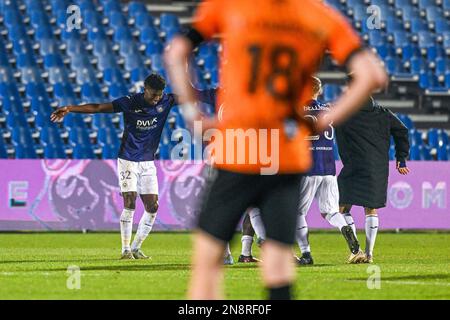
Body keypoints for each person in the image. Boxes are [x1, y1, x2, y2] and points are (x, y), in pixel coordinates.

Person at [165, 0, 388, 300]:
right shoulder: (319, 15)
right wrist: (323, 119)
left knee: (207, 261)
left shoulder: (229, 6)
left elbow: (176, 52)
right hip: (287, 156)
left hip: (238, 149)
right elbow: (372, 74)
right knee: (279, 262)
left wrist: (194, 115)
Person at [50, 73, 211, 260]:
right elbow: (99, 107)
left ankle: (136, 247)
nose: (156, 99)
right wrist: (70, 108)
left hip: (148, 162)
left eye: (159, 95)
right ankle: (125, 249)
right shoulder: (130, 102)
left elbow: (195, 95)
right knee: (130, 201)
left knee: (153, 207)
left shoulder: (167, 101)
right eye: (153, 95)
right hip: (127, 160)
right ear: (145, 90)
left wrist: (218, 95)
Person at [336, 75, 411, 264]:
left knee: (342, 208)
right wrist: (401, 158)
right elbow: (402, 131)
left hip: (353, 166)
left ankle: (356, 250)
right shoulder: (383, 113)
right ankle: (368, 254)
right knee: (371, 208)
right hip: (377, 167)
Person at [296, 76, 364, 265]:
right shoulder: (329, 109)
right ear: (319, 91)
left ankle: (306, 254)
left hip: (308, 167)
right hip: (329, 167)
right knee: (331, 212)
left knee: (298, 213)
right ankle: (355, 248)